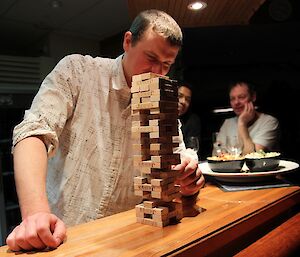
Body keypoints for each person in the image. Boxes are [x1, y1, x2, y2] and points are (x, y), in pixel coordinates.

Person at [6, 9, 205, 251]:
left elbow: (177, 157)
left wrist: (187, 179)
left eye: (166, 64)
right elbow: (33, 132)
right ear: (128, 41)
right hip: (64, 236)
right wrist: (35, 213)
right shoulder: (77, 71)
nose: (157, 72)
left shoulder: (164, 98)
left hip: (130, 239)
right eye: (151, 58)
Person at [216, 81, 280, 155]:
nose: (236, 102)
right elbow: (217, 154)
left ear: (253, 97)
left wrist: (242, 124)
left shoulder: (269, 122)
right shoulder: (227, 123)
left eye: (241, 97)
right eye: (232, 99)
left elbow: (253, 157)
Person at [178, 82, 201, 157]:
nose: (183, 101)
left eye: (187, 99)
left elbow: (192, 149)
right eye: (179, 96)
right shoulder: (161, 118)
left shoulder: (192, 121)